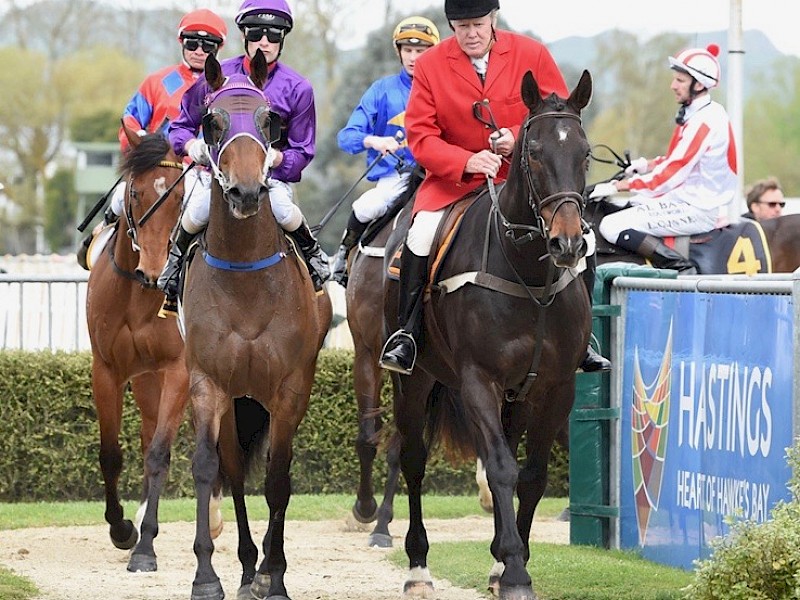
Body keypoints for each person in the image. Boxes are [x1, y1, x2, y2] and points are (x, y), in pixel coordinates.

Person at [379, 0, 610, 375]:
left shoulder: (531, 53)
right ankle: (408, 333)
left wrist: (517, 138)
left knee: (585, 238)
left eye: (478, 24)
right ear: (452, 25)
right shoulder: (431, 65)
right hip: (455, 184)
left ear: (493, 19)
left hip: (527, 184)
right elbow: (420, 136)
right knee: (419, 236)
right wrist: (465, 161)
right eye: (462, 26)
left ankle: (582, 341)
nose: (471, 33)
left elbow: (558, 115)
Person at [160, 0, 330, 297]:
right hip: (219, 177)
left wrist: (278, 158)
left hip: (270, 179)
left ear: (283, 39)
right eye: (256, 34)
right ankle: (173, 269)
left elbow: (303, 151)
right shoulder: (215, 76)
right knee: (198, 210)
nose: (264, 42)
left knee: (282, 208)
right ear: (243, 36)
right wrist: (192, 146)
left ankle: (313, 255)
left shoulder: (298, 88)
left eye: (273, 35)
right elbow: (181, 125)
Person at [77, 9, 228, 270]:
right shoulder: (156, 82)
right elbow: (129, 123)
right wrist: (143, 149)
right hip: (159, 170)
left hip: (205, 172)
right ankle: (104, 229)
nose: (199, 50)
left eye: (208, 46)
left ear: (219, 49)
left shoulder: (227, 86)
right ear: (182, 43)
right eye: (193, 43)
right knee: (121, 197)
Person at [593, 44, 737, 273]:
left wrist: (618, 185)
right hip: (685, 198)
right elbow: (676, 160)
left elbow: (672, 172)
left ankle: (678, 267)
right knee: (625, 205)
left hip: (697, 208)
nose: (673, 86)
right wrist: (644, 166)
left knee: (610, 226)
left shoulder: (705, 121)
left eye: (680, 80)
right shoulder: (699, 112)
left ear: (699, 83)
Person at [330, 16, 440, 287]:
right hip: (395, 179)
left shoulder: (444, 88)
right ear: (399, 52)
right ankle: (343, 258)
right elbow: (347, 137)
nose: (413, 57)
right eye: (408, 50)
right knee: (366, 206)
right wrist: (374, 141)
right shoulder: (382, 90)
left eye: (421, 51)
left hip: (439, 178)